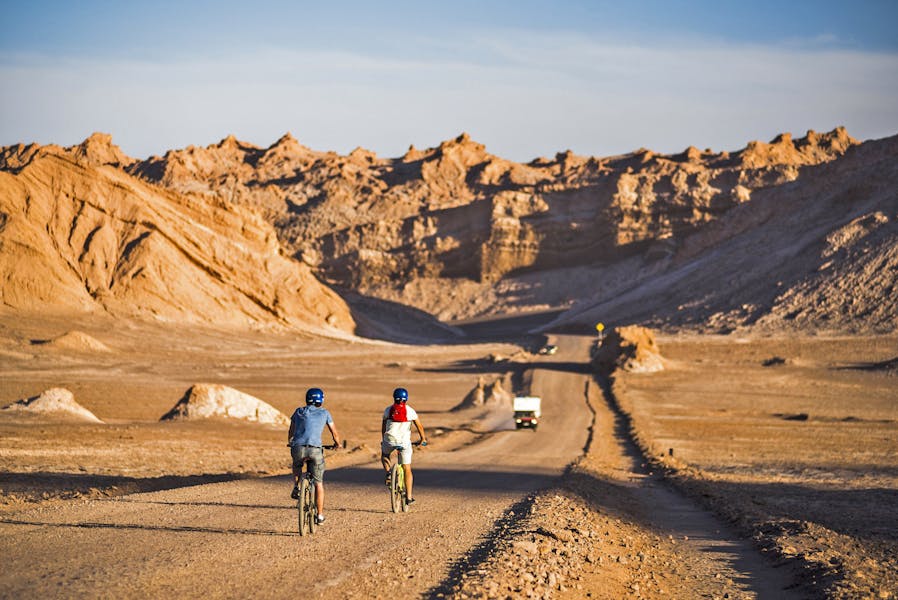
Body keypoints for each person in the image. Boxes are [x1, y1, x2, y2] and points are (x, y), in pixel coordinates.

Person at [288, 387, 341, 525]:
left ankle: (297, 486)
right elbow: (334, 433)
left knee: (297, 464)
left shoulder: (298, 411)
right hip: (315, 450)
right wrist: (337, 444)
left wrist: (290, 441)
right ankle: (320, 515)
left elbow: (291, 430)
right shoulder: (325, 413)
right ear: (321, 400)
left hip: (298, 448)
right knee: (318, 483)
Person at [381, 387, 427, 504]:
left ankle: (388, 473)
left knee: (385, 455)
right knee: (407, 468)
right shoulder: (410, 411)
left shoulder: (388, 410)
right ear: (406, 398)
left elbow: (383, 426)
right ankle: (409, 497)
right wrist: (423, 439)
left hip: (389, 440)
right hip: (404, 442)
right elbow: (419, 426)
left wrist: (384, 439)